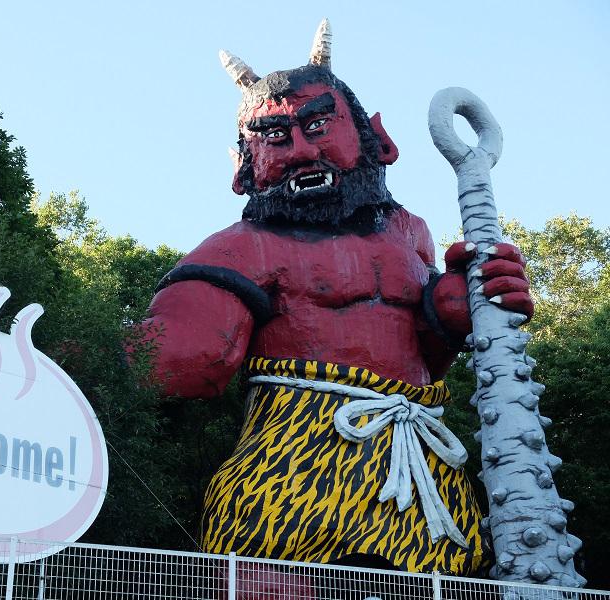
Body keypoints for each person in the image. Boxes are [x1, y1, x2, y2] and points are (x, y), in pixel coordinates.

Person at [140, 20, 531, 576]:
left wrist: (455, 310)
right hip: (292, 478)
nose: (300, 151)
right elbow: (184, 361)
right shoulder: (239, 248)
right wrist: (77, 357)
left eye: (318, 124)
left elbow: (422, 355)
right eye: (275, 138)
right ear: (244, 165)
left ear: (375, 135)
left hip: (420, 475)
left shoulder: (410, 233)